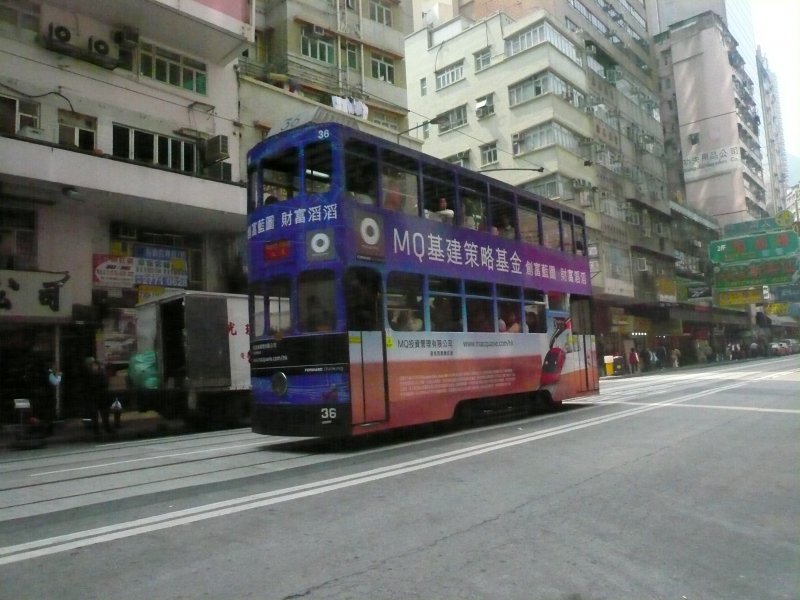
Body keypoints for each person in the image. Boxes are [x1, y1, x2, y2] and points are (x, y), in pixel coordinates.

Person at [85, 357, 112, 434]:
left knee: (104, 413)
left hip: (101, 395)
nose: (94, 367)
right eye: (92, 365)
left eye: (95, 365)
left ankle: (106, 427)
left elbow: (106, 383)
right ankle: (96, 429)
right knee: (95, 413)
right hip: (94, 396)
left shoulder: (100, 374)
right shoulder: (88, 375)